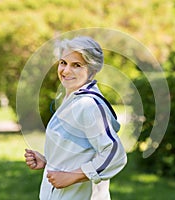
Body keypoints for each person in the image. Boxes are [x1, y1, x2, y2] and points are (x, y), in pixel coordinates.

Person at [24, 36, 127, 200]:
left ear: (92, 70)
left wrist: (72, 176)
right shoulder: (72, 99)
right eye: (63, 62)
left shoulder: (89, 105)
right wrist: (49, 161)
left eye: (76, 65)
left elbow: (114, 153)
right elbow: (81, 150)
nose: (65, 71)